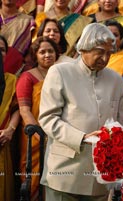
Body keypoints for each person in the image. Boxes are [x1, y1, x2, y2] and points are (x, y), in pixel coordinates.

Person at [38, 23, 123, 200]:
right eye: (100, 51)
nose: (105, 57)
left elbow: (121, 125)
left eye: (109, 53)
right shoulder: (60, 71)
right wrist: (82, 138)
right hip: (65, 172)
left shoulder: (115, 79)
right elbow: (48, 119)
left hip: (100, 179)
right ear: (84, 46)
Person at [16, 36, 60, 200]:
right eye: (42, 52)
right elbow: (25, 111)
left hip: (58, 135)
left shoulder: (63, 76)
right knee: (33, 179)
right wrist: (40, 136)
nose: (47, 55)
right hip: (35, 138)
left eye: (51, 51)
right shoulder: (27, 78)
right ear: (35, 55)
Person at [0, 43, 20, 201]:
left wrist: (10, 130)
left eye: (1, 49)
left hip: (2, 142)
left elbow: (16, 108)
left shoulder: (12, 81)